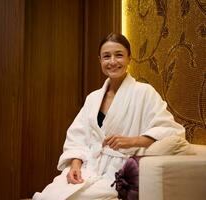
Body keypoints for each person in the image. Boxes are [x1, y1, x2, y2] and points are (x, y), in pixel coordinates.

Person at [32, 33, 185, 200]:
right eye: (106, 56)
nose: (112, 61)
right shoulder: (93, 98)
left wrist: (133, 140)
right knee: (47, 195)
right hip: (87, 168)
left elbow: (170, 130)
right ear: (100, 61)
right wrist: (75, 165)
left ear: (129, 59)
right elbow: (77, 137)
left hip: (117, 174)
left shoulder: (144, 93)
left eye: (119, 55)